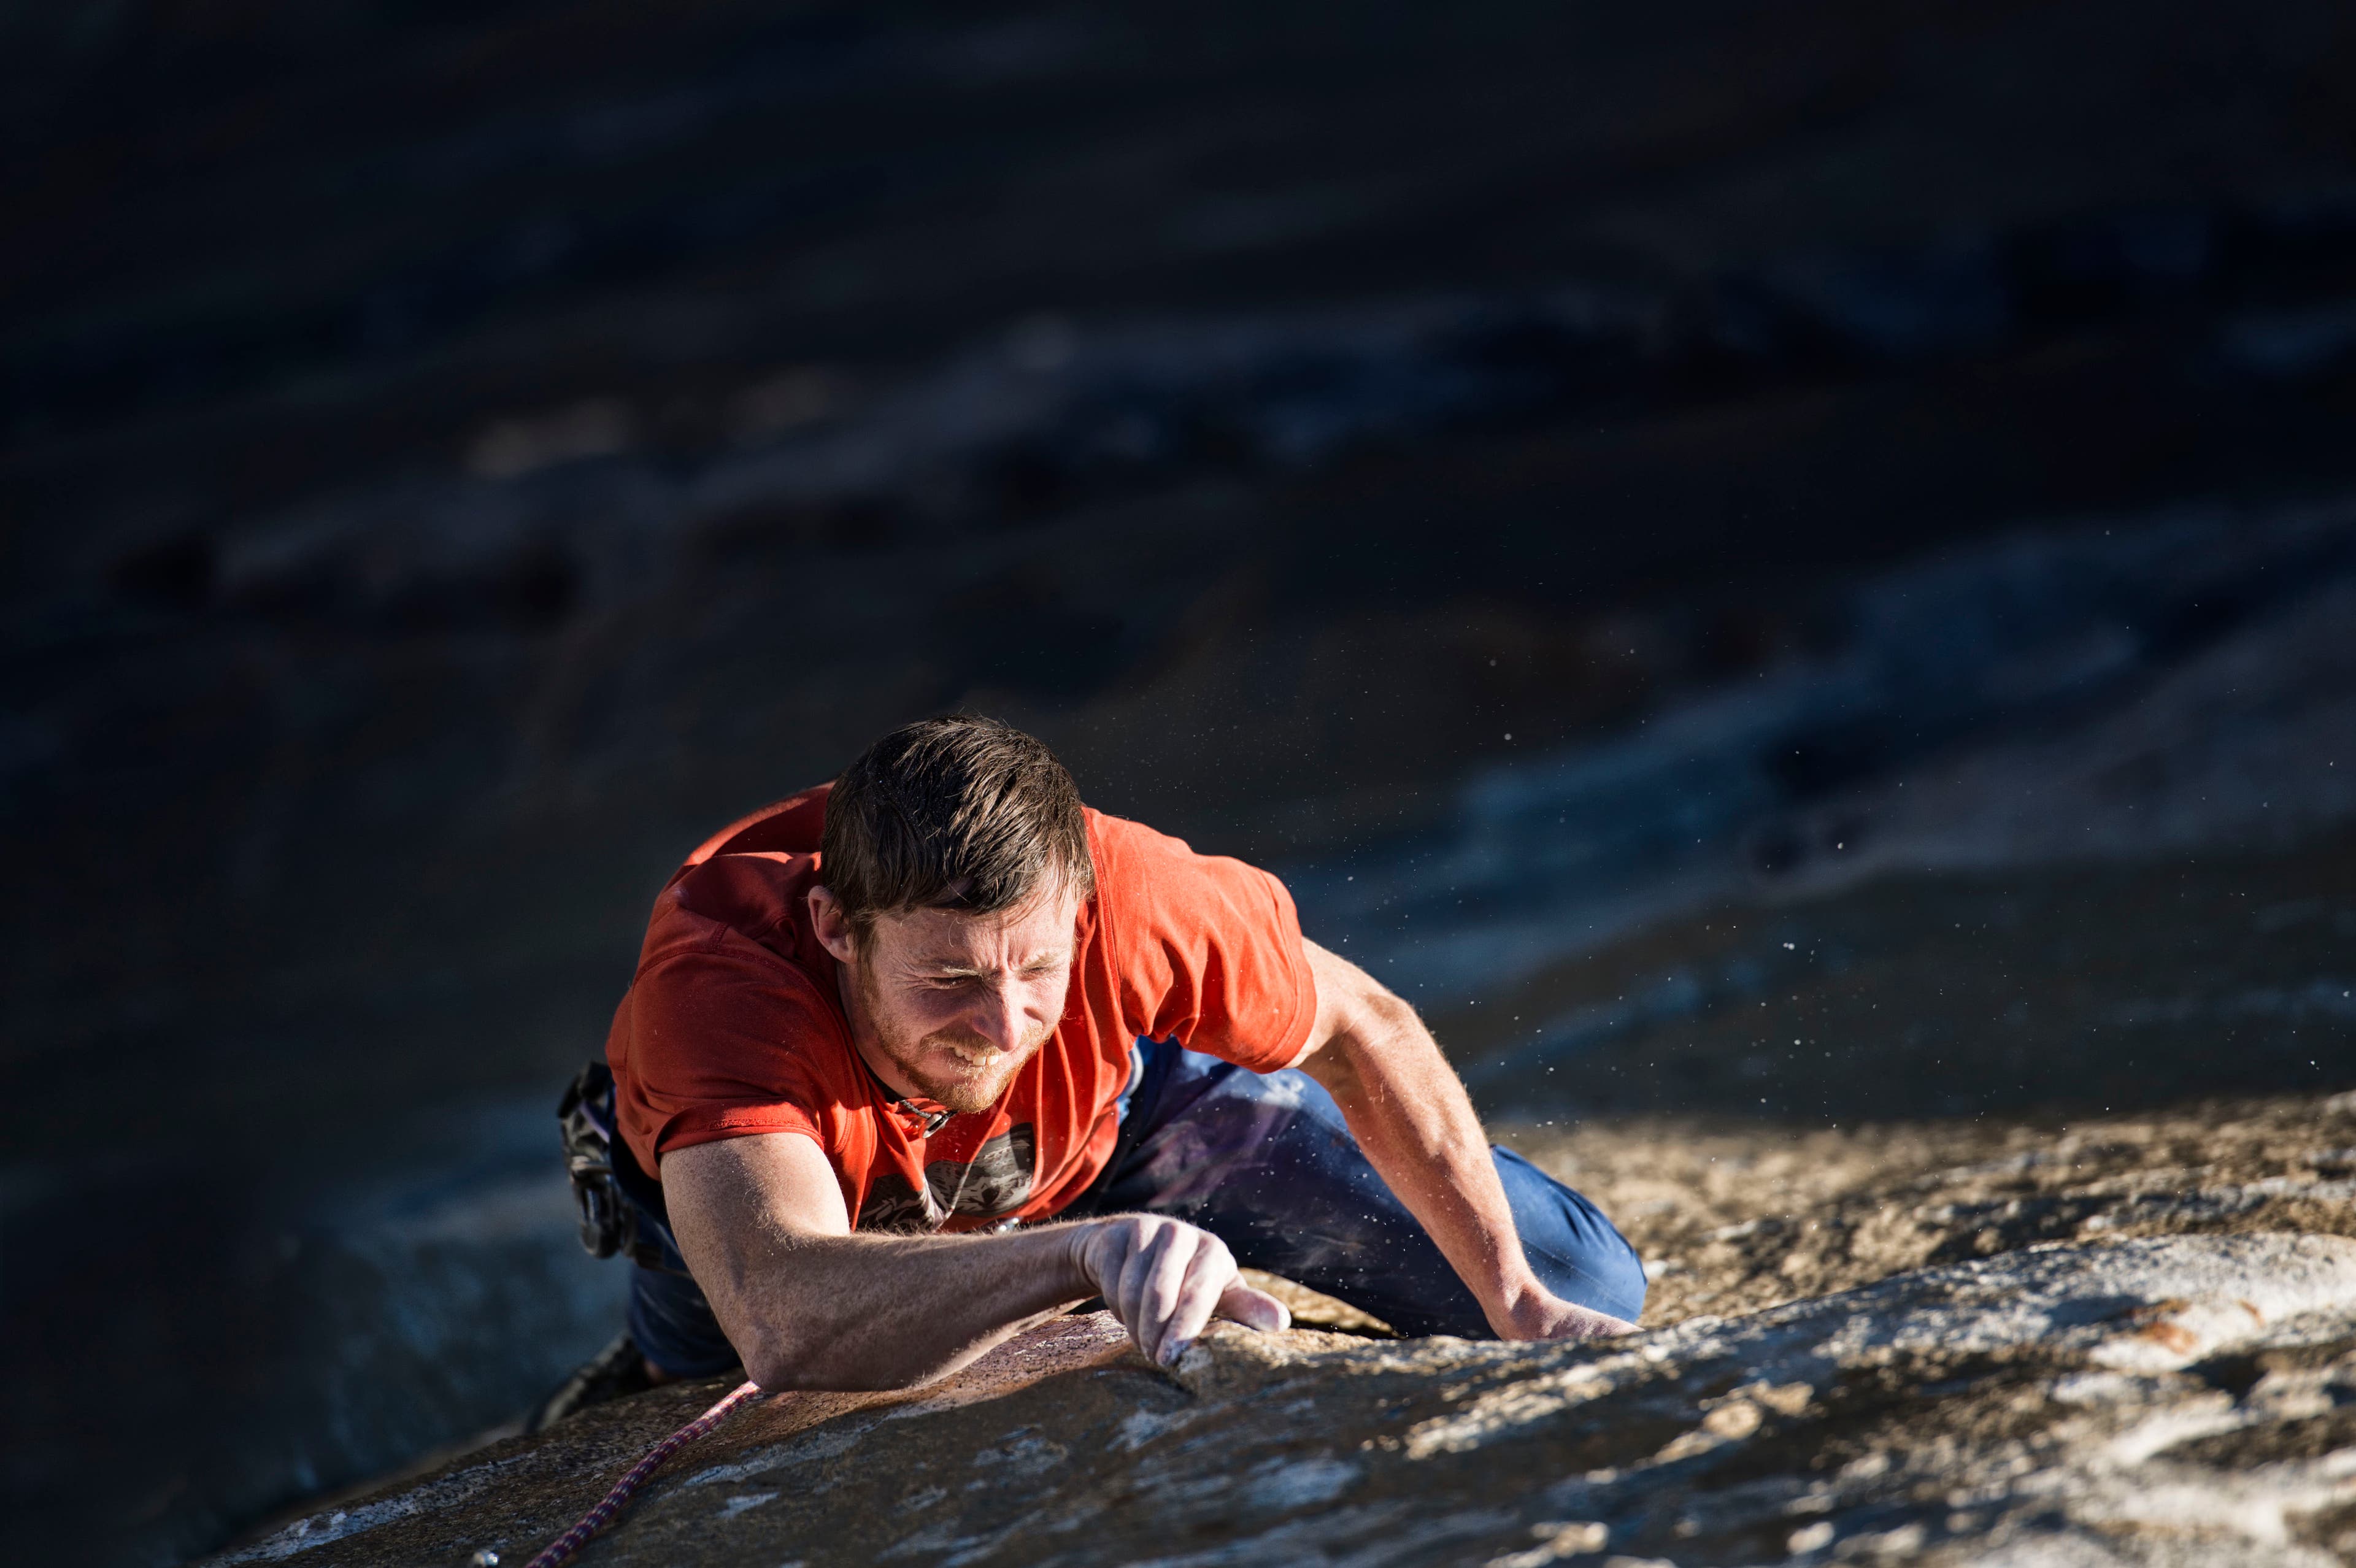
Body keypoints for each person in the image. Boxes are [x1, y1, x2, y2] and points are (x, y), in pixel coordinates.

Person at [535, 715, 1643, 1423]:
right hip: (790, 1185)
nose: (1004, 1023)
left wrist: (1515, 1298)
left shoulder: (1138, 896)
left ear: (1078, 912)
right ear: (835, 927)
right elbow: (786, 1317)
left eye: (1038, 969)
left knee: (1582, 1289)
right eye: (950, 977)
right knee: (704, 1391)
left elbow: (1365, 1026)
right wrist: (1080, 1261)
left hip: (1112, 1128)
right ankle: (652, 1352)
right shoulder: (723, 986)